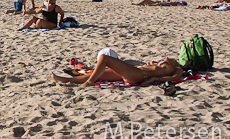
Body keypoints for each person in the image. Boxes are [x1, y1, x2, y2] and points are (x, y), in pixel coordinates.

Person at [52, 53, 184, 87]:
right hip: (135, 72)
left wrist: (155, 79)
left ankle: (89, 82)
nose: (167, 57)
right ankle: (66, 80)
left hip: (139, 75)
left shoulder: (177, 68)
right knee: (99, 73)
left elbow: (174, 78)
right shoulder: (166, 64)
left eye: (170, 59)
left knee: (104, 58)